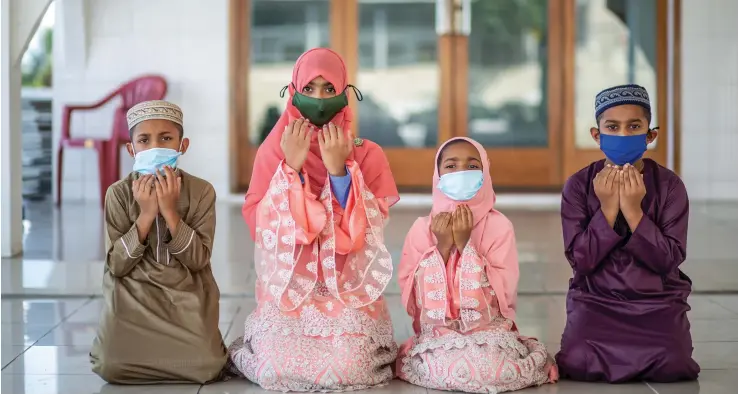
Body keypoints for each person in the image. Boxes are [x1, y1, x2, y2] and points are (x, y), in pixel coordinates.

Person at [227, 48, 400, 392]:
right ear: (292, 92)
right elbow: (261, 227)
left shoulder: (367, 153)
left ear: (345, 93)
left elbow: (366, 236)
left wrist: (339, 171)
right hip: (291, 294)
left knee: (351, 366)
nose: (319, 99)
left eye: (328, 88)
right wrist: (290, 168)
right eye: (309, 89)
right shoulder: (274, 150)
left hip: (347, 291)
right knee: (275, 367)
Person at [555, 84, 700, 382]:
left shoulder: (670, 186)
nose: (622, 135)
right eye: (612, 127)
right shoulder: (578, 186)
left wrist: (634, 211)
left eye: (633, 126)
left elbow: (668, 261)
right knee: (577, 360)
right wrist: (607, 209)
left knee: (674, 363)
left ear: (650, 135)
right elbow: (581, 261)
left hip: (655, 302)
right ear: (597, 135)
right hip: (596, 301)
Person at [396, 137, 558, 393]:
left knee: (491, 368)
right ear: (437, 174)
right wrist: (442, 248)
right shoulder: (422, 228)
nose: (461, 172)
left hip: (488, 332)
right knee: (435, 362)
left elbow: (502, 296)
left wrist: (465, 247)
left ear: (486, 171)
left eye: (472, 166)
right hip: (440, 334)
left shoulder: (499, 226)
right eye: (451, 165)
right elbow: (413, 299)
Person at [90, 100, 227, 384]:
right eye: (144, 140)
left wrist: (170, 212)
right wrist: (146, 215)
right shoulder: (117, 194)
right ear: (131, 149)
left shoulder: (201, 191)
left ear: (182, 145)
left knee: (207, 366)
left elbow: (199, 260)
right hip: (133, 297)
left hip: (185, 297)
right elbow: (116, 265)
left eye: (165, 138)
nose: (154, 147)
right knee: (109, 365)